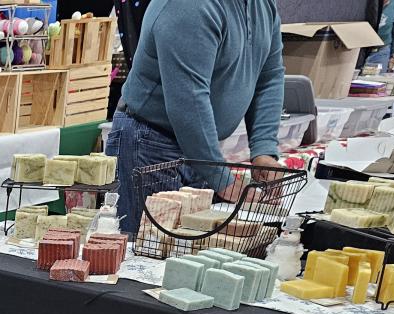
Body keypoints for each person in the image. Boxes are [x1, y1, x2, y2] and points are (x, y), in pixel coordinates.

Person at [105, 0, 285, 233]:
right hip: (151, 144)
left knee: (186, 248)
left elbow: (269, 76)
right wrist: (221, 179)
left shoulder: (262, 5)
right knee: (144, 247)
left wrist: (263, 150)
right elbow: (188, 101)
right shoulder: (190, 5)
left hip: (200, 146)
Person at [366, 0, 394, 71]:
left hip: (381, 51)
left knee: (377, 77)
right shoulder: (366, 3)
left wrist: (393, 56)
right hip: (361, 50)